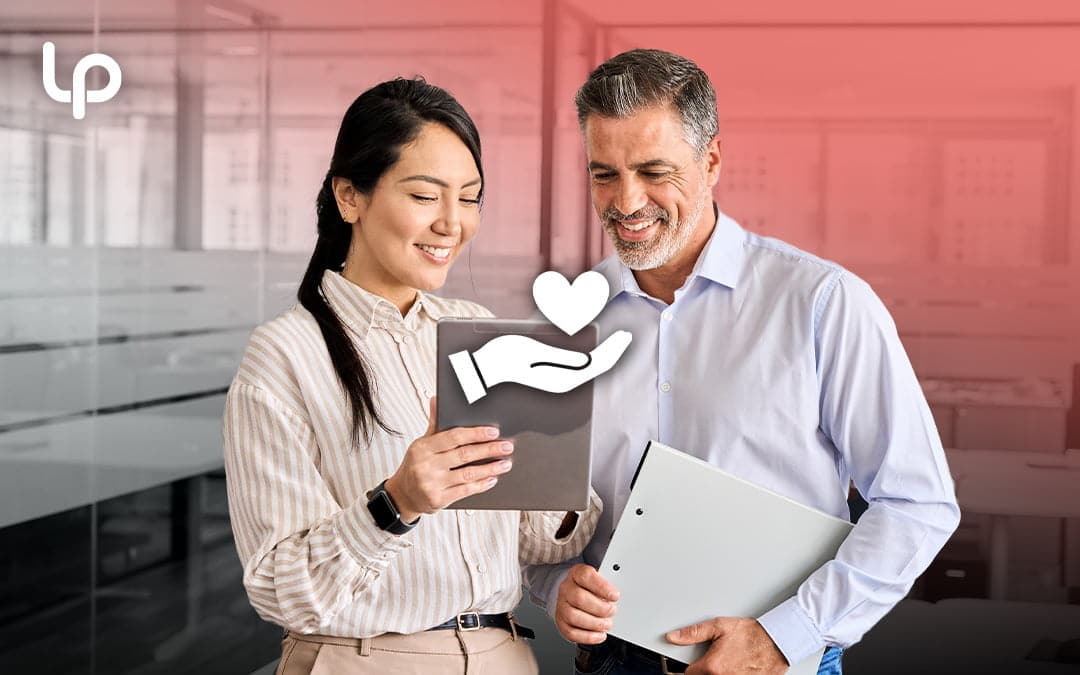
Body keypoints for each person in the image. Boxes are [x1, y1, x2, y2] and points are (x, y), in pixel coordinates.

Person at [524, 49, 960, 675]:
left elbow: (918, 504)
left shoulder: (821, 303)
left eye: (653, 171)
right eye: (603, 174)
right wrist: (557, 583)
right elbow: (542, 523)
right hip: (615, 663)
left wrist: (784, 636)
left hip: (776, 662)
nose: (626, 201)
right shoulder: (567, 328)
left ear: (713, 162)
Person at [223, 77, 600, 675]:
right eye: (426, 196)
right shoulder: (284, 356)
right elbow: (278, 588)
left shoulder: (477, 332)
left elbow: (539, 544)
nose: (453, 223)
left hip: (504, 655)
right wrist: (397, 503)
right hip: (365, 661)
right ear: (350, 197)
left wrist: (554, 463)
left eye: (470, 197)